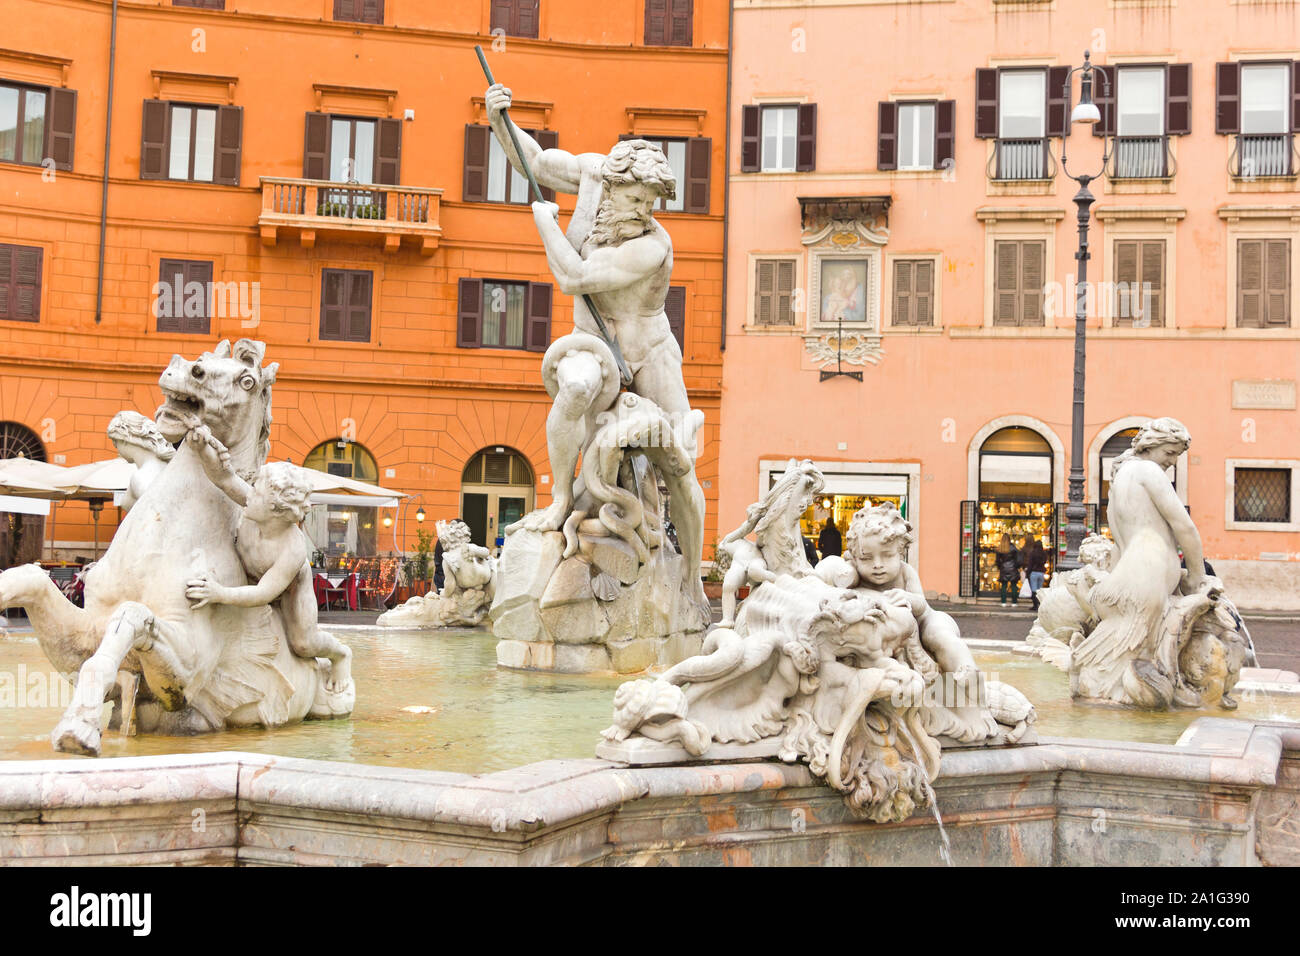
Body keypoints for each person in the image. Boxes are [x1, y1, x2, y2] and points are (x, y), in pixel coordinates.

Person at [484, 83, 706, 612]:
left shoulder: (653, 244)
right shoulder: (589, 175)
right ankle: (561, 496)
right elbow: (535, 162)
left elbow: (575, 275)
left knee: (681, 464)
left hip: (649, 347)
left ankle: (694, 581)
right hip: (593, 340)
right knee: (577, 386)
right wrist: (500, 122)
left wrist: (545, 228)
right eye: (635, 199)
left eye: (652, 203)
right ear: (611, 183)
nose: (643, 211)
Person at [182, 426, 352, 692]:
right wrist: (202, 446)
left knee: (304, 643)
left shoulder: (291, 548)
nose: (249, 494)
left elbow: (264, 593)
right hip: (247, 572)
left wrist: (218, 593)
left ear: (275, 509)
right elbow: (224, 478)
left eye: (257, 493)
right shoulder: (254, 507)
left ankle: (341, 655)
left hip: (290, 591)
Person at [107, 410, 175, 513]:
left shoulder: (143, 476)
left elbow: (158, 513)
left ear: (124, 440)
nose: (117, 450)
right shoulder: (167, 468)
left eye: (115, 443)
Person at [995, 533, 1020, 607]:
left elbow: (997, 560)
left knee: (1003, 586)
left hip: (1003, 569)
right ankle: (1014, 602)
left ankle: (1003, 602)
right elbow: (1017, 559)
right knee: (1013, 586)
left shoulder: (1000, 548)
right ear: (1009, 539)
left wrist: (1000, 567)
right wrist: (1016, 566)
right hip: (1013, 569)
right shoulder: (1013, 548)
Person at [1023, 536, 1048, 610]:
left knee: (1034, 589)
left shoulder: (1032, 553)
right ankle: (1040, 604)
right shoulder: (1044, 553)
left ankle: (1035, 605)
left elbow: (1030, 564)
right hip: (1041, 573)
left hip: (1034, 572)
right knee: (1040, 589)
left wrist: (1028, 573)